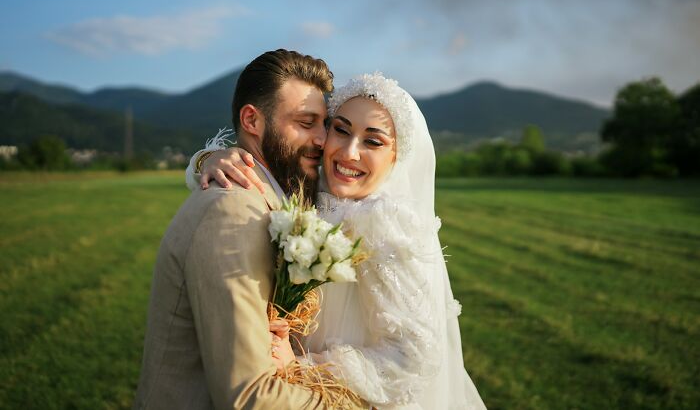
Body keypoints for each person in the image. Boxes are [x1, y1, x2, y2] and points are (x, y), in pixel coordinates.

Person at [186, 72, 487, 409]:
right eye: (340, 130)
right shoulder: (316, 196)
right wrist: (209, 159)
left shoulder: (388, 227)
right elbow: (258, 172)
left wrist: (304, 365)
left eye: (373, 142)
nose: (349, 152)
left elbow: (411, 358)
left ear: (396, 156)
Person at [133, 49, 366, 410]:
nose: (323, 140)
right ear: (252, 121)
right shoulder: (232, 212)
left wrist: (203, 158)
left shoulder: (280, 196)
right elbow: (249, 396)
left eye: (324, 124)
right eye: (306, 123)